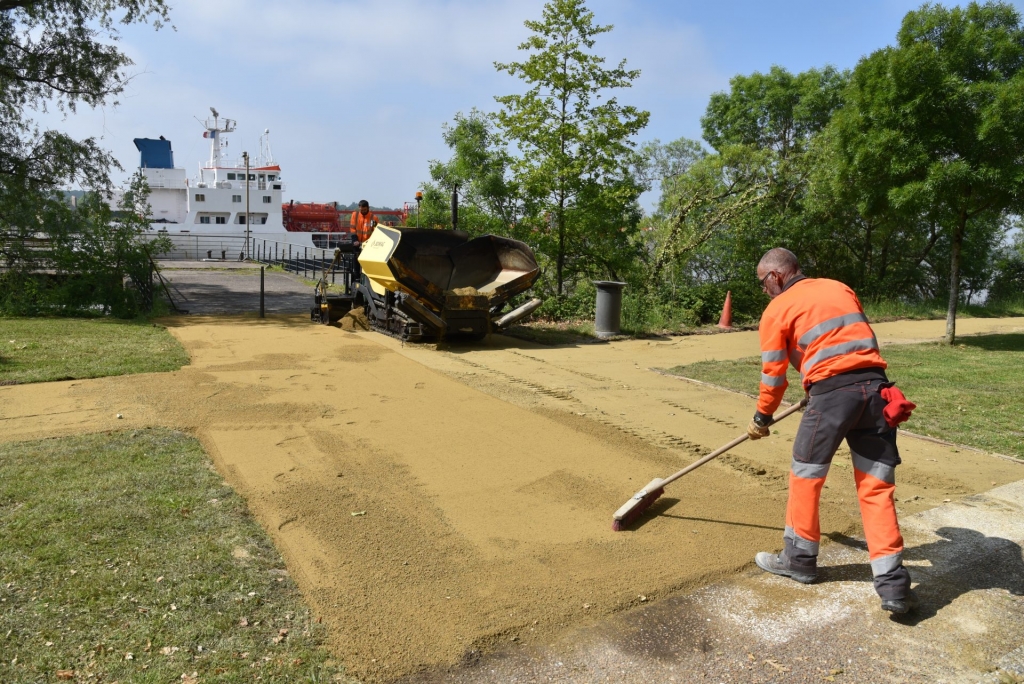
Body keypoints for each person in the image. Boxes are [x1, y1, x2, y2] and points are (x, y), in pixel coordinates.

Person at [748, 248, 915, 615]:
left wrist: (762, 417)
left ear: (775, 276)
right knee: (876, 488)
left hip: (833, 397)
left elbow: (773, 376)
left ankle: (798, 561)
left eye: (763, 283)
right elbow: (845, 344)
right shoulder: (839, 288)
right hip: (876, 392)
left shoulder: (777, 308)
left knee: (806, 476)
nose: (764, 291)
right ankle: (893, 588)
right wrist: (817, 384)